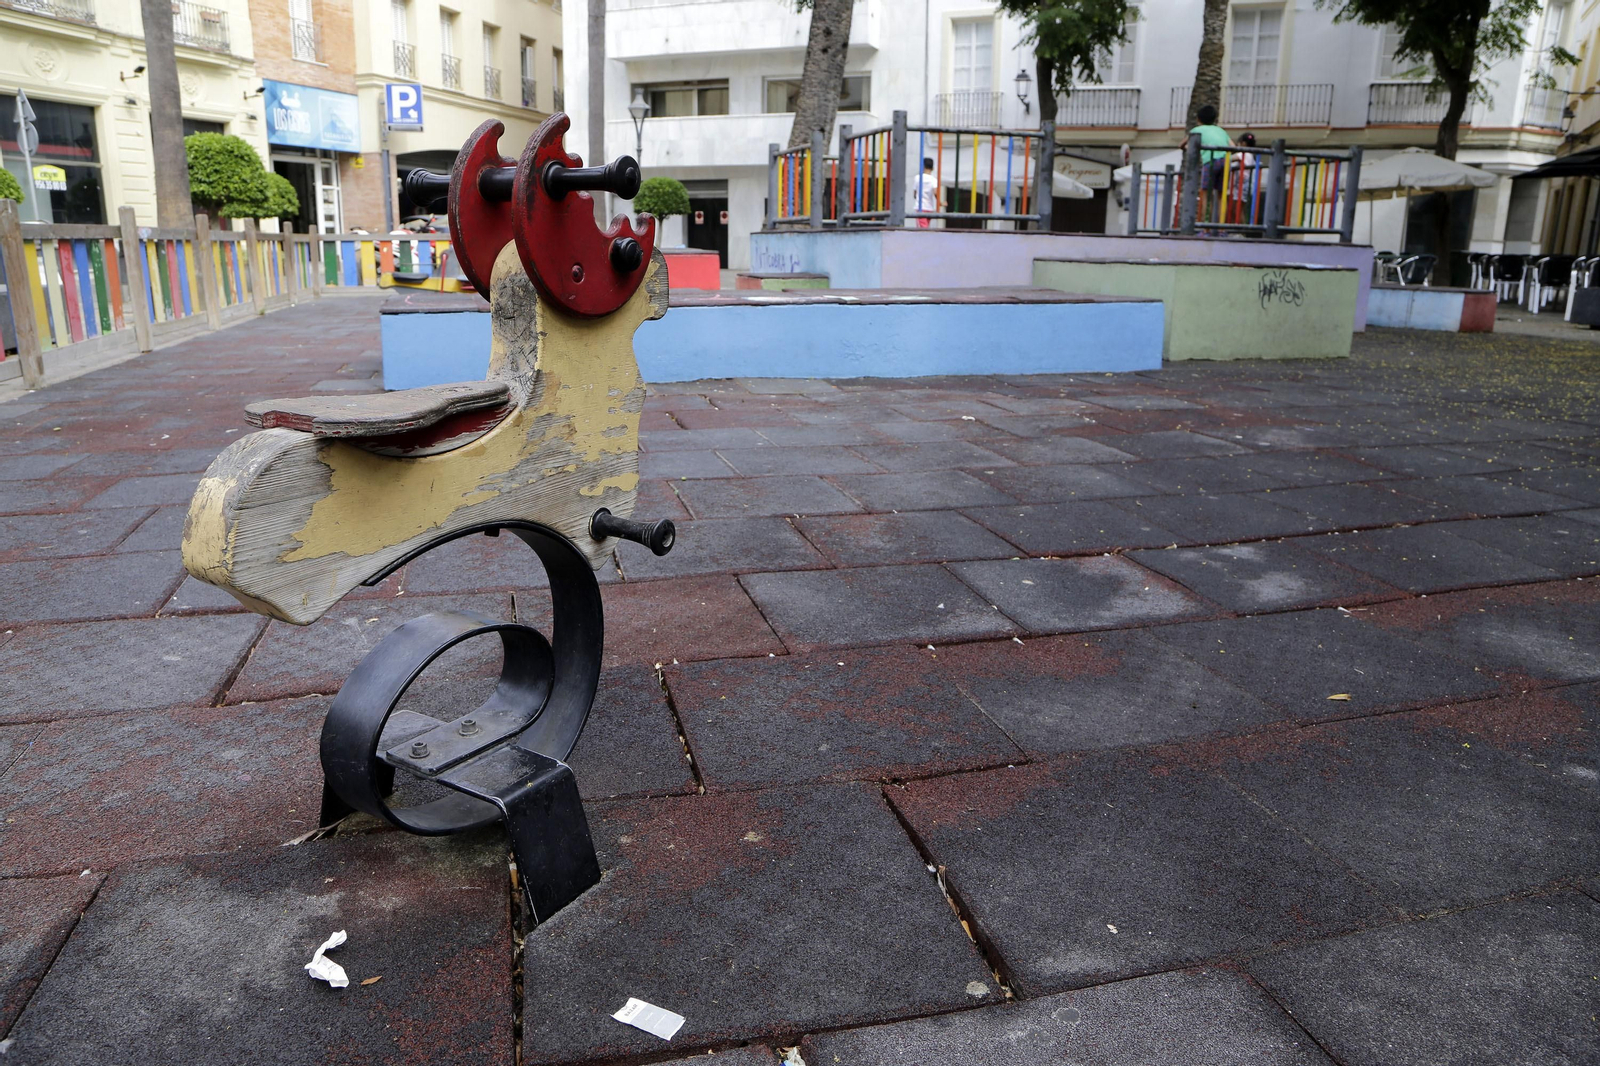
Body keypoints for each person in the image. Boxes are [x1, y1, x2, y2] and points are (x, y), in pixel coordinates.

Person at [1186, 104, 1232, 193]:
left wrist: (1185, 147)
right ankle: (1221, 207)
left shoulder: (1197, 130)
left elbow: (1184, 143)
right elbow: (1233, 146)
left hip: (1211, 160)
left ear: (1198, 119)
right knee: (1221, 192)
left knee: (1206, 191)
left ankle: (1206, 207)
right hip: (1226, 161)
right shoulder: (1221, 130)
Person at [913, 157, 940, 227]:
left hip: (920, 207)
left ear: (923, 166)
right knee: (925, 227)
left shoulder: (917, 178)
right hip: (929, 207)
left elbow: (915, 194)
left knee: (922, 229)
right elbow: (935, 193)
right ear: (932, 168)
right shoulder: (934, 180)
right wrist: (940, 202)